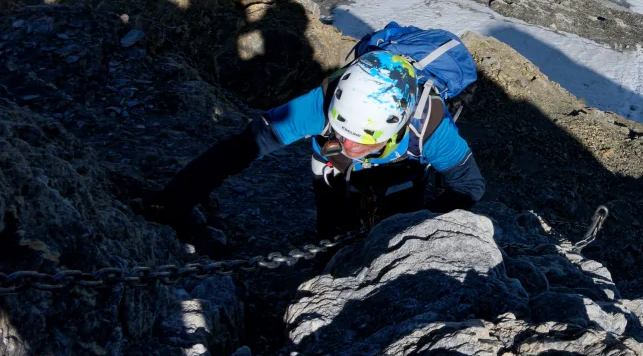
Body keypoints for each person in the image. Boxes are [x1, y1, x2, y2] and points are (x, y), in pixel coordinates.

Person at [155, 46, 486, 247]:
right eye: (345, 133)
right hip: (357, 150)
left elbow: (469, 185)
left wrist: (423, 226)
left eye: (362, 141)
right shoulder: (321, 106)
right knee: (330, 199)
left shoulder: (430, 128)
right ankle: (328, 253)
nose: (350, 146)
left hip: (406, 165)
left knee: (399, 210)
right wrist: (172, 205)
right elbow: (237, 150)